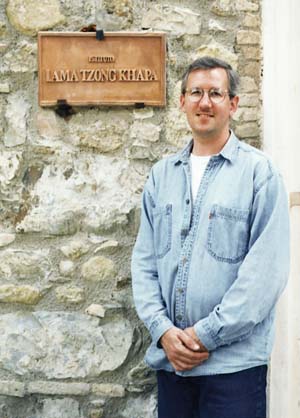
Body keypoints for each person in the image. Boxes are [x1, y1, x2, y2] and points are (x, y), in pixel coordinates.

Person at [131, 56, 290, 418]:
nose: (205, 102)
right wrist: (164, 331)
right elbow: (144, 263)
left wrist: (206, 335)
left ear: (233, 104)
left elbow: (264, 275)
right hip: (173, 365)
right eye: (196, 92)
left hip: (233, 368)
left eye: (216, 93)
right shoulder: (161, 176)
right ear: (182, 101)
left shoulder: (259, 175)